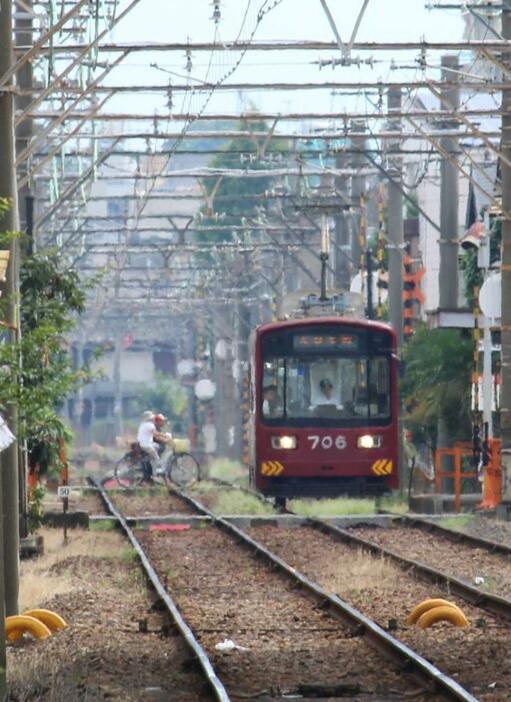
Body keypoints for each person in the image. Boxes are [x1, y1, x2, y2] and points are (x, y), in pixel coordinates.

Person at [136, 410, 162, 479]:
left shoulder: (142, 424)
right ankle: (154, 475)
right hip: (146, 445)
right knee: (156, 459)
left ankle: (151, 459)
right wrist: (164, 435)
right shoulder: (150, 425)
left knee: (157, 446)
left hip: (141, 444)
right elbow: (155, 434)